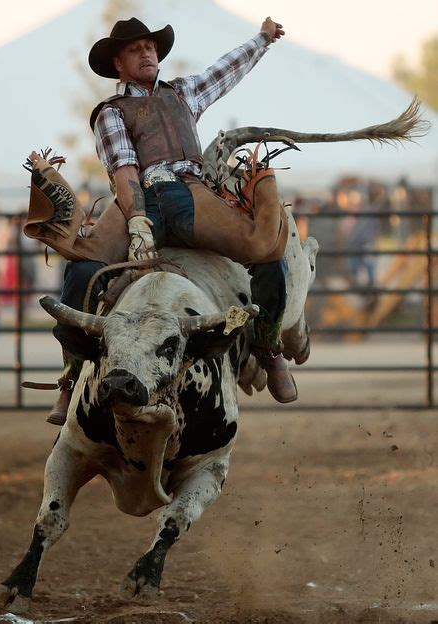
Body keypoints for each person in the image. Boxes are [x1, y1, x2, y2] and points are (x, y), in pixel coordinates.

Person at [29, 16, 308, 424]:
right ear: (118, 64)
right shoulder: (111, 112)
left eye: (150, 47)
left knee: (266, 249)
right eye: (134, 49)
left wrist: (262, 39)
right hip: (138, 197)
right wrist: (138, 218)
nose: (146, 53)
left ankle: (269, 350)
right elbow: (123, 168)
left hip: (192, 193)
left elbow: (224, 71)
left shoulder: (183, 92)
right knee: (83, 271)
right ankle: (72, 378)